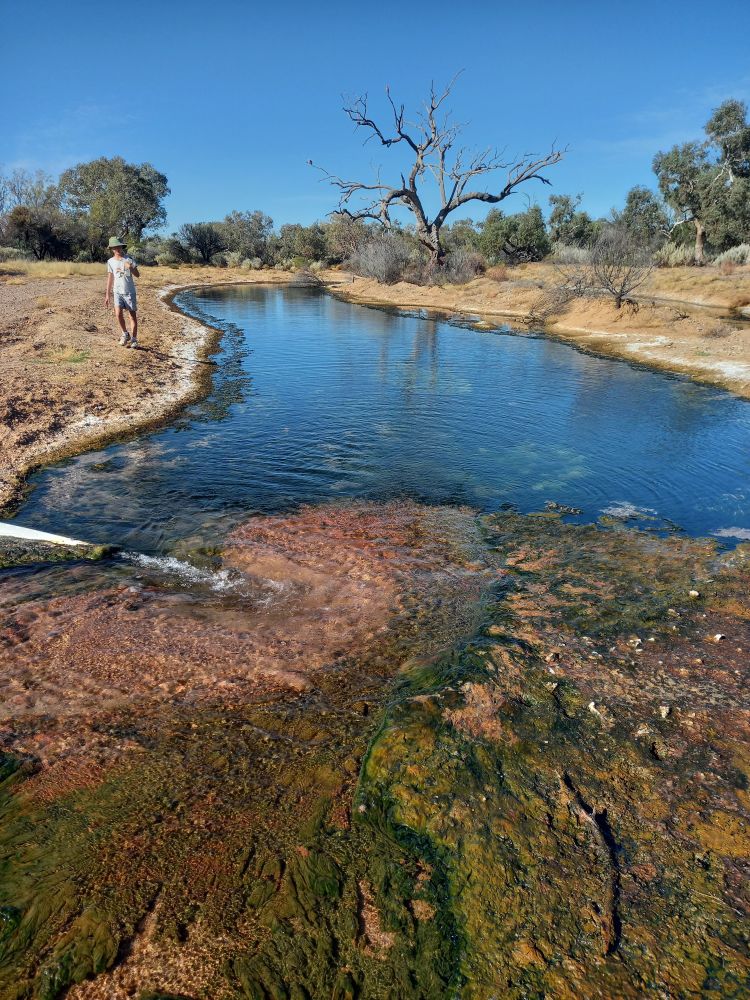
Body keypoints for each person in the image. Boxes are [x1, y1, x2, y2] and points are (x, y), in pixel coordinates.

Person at [104, 236, 140, 348]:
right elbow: (110, 278)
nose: (117, 249)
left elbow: (138, 275)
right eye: (115, 247)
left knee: (132, 316)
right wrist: (107, 295)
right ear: (112, 249)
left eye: (119, 246)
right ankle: (125, 334)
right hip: (117, 292)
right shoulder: (110, 261)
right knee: (118, 314)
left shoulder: (129, 259)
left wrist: (131, 268)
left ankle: (134, 339)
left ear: (121, 247)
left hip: (129, 292)